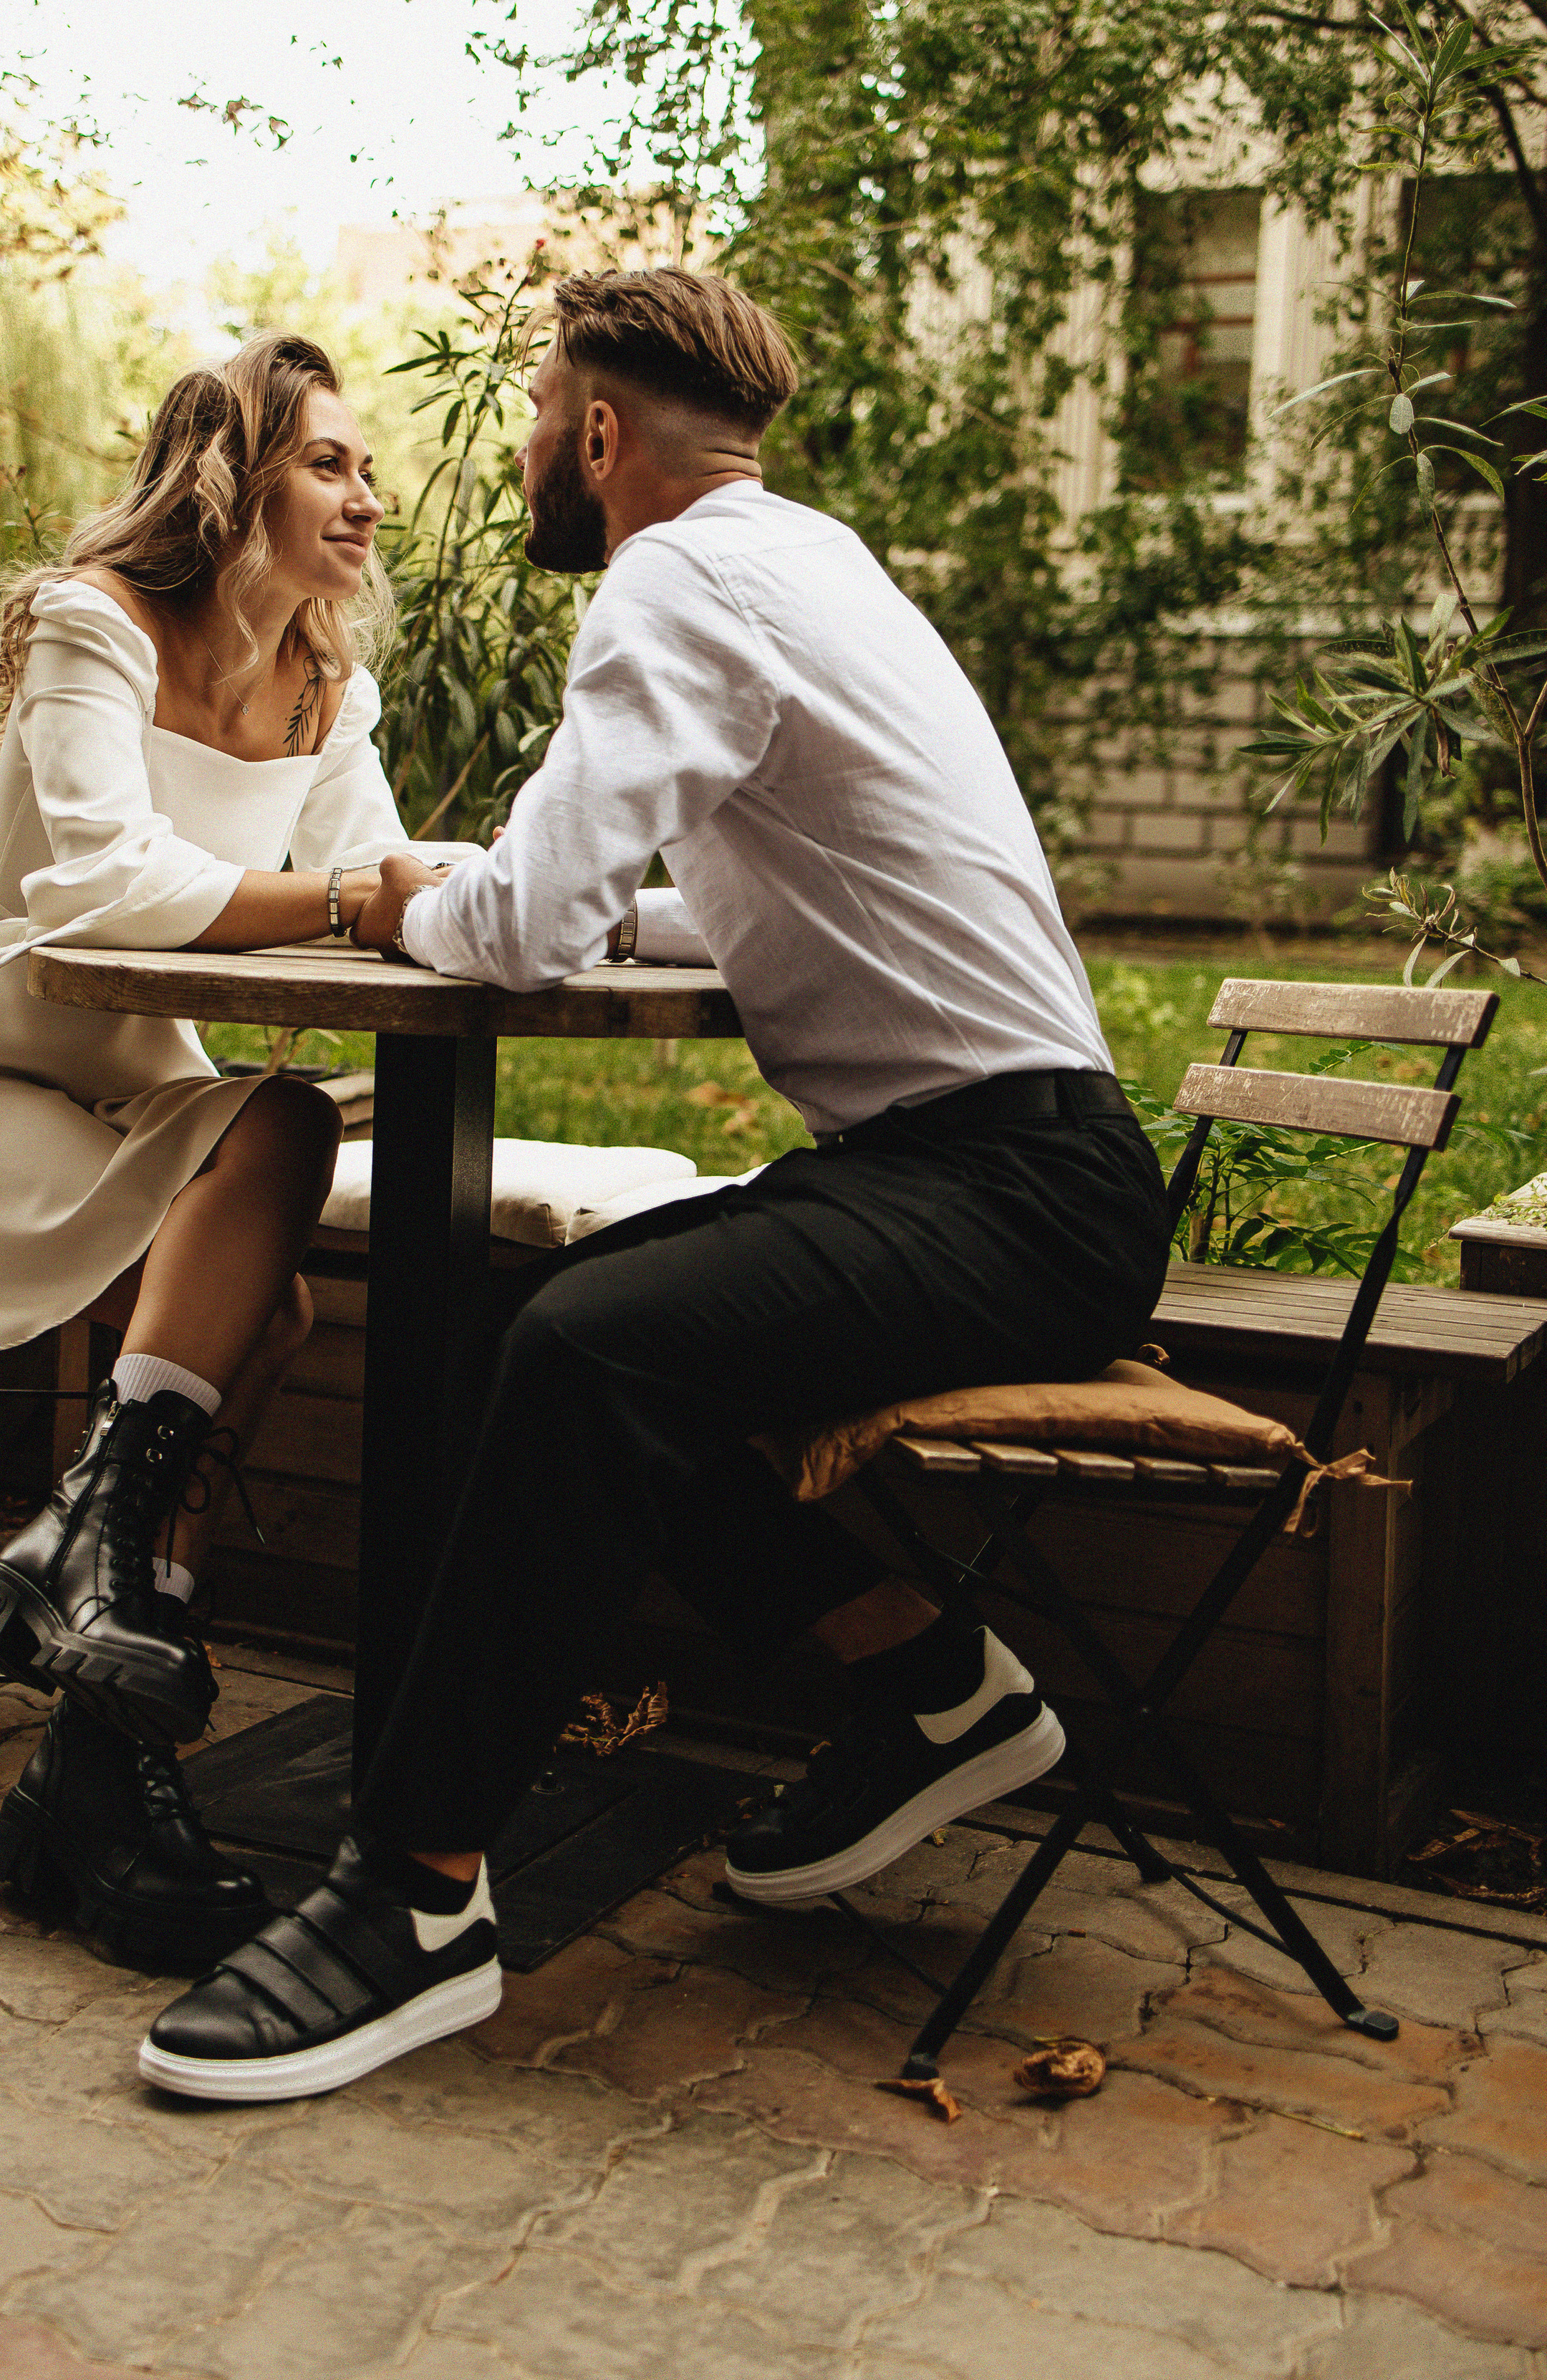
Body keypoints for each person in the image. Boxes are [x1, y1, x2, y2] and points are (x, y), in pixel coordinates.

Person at [138, 269, 1170, 2106]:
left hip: (1006, 1193)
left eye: (539, 419)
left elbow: (521, 923)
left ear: (599, 434)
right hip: (1016, 1173)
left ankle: (414, 1897)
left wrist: (401, 896)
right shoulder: (810, 561)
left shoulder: (671, 581)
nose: (526, 450)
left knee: (587, 1347)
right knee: (543, 1322)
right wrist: (565, 902)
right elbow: (787, 874)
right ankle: (931, 1683)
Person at [0, 330, 463, 1969]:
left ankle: (91, 1689)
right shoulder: (97, 621)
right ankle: (98, 1694)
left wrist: (457, 887)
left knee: (280, 1138)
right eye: (329, 463)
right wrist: (357, 897)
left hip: (138, 1083)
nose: (367, 495)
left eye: (367, 467)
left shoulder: (325, 685)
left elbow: (372, 877)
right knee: (262, 1306)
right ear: (232, 475)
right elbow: (94, 889)